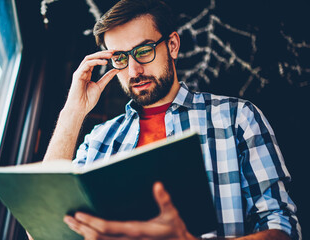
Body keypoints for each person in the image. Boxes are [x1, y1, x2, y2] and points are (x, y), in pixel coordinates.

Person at [42, 0, 301, 239]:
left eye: (143, 51)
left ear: (173, 45)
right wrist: (72, 113)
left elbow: (282, 228)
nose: (134, 71)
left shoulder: (236, 118)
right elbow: (43, 230)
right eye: (120, 58)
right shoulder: (99, 139)